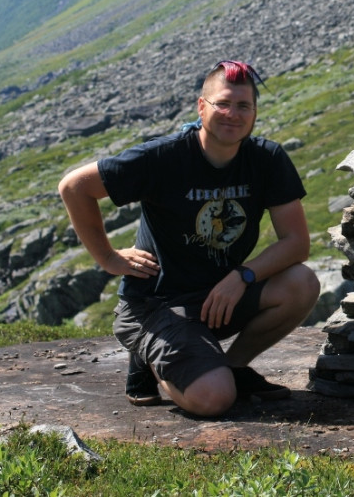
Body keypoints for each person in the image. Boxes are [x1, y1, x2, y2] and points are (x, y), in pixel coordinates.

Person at [58, 60, 320, 417]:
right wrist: (107, 258)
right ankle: (151, 359)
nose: (233, 114)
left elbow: (295, 243)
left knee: (302, 282)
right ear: (202, 107)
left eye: (243, 106)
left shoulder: (267, 159)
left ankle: (234, 367)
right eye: (222, 103)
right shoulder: (164, 157)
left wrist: (241, 276)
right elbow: (74, 187)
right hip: (155, 303)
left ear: (255, 112)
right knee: (214, 399)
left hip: (217, 298)